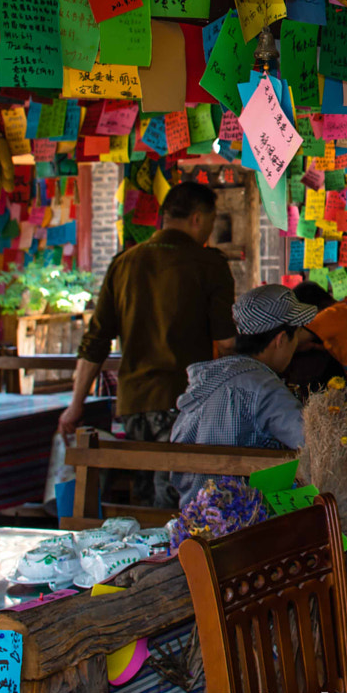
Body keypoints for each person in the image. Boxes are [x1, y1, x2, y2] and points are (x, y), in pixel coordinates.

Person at [60, 183, 236, 505]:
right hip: (183, 402)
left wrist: (75, 406)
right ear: (197, 219)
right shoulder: (209, 265)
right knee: (177, 505)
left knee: (141, 505)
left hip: (133, 404)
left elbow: (95, 341)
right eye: (210, 222)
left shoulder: (124, 263)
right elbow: (226, 342)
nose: (210, 230)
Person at [169, 286, 315, 504]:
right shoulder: (263, 387)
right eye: (297, 336)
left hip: (191, 510)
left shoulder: (208, 377)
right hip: (237, 519)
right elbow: (310, 440)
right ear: (281, 339)